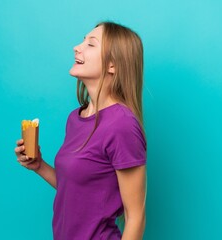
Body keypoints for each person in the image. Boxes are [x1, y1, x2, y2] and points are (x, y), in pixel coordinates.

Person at [15, 21, 147, 240]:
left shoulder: (122, 125)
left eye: (91, 44)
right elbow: (80, 193)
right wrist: (39, 166)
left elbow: (136, 216)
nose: (77, 47)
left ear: (112, 65)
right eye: (83, 41)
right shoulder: (76, 118)